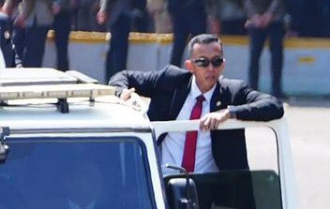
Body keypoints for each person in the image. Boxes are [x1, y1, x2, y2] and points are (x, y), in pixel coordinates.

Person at [109, 33, 284, 174]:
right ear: (190, 66)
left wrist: (229, 113)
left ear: (223, 65)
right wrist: (122, 92)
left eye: (216, 62)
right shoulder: (170, 80)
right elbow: (121, 76)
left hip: (209, 189)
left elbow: (274, 106)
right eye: (202, 62)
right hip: (162, 183)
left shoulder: (233, 91)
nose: (210, 68)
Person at [242, 0, 286, 97]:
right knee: (254, 55)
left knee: (276, 56)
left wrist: (270, 14)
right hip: (255, 20)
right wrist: (253, 16)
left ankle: (276, 90)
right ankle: (252, 89)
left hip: (275, 19)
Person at [97, 0, 146, 80]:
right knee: (118, 55)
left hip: (117, 14)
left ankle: (112, 80)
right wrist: (104, 9)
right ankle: (117, 81)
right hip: (120, 15)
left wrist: (104, 9)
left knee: (113, 52)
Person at [166, 0, 207, 66]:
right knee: (179, 49)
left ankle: (200, 73)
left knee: (199, 47)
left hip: (193, 10)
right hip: (188, 11)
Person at [12, 0, 53, 67]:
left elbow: (27, 5)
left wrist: (21, 17)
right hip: (44, 22)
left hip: (33, 22)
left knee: (30, 50)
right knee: (39, 51)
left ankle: (30, 70)